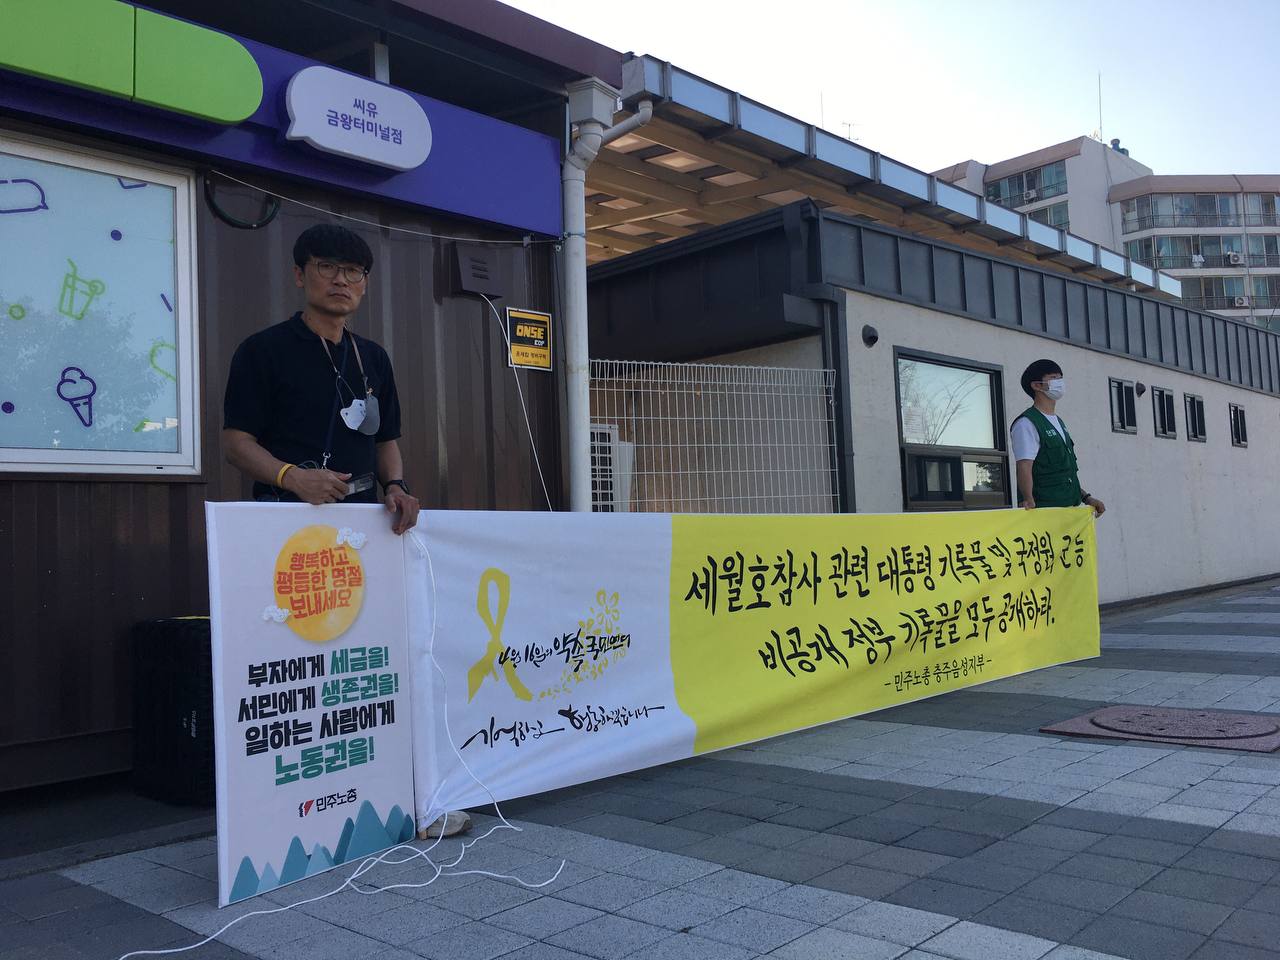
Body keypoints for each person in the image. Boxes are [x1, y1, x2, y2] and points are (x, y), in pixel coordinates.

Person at [222, 223, 470, 839]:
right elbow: (235, 442)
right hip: (285, 528)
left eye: (354, 272)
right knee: (301, 666)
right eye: (327, 267)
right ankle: (293, 817)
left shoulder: (372, 358)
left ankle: (399, 798)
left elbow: (385, 440)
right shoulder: (263, 350)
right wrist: (292, 478)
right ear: (299, 274)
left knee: (373, 661)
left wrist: (397, 487)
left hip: (363, 532)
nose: (341, 280)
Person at [1011, 359, 1106, 517]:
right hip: (1045, 512)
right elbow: (1024, 466)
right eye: (1054, 378)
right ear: (1037, 385)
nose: (1060, 382)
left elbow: (1065, 473)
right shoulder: (1027, 423)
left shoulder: (1058, 422)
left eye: (1060, 378)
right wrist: (1028, 499)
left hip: (1069, 511)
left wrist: (1087, 498)